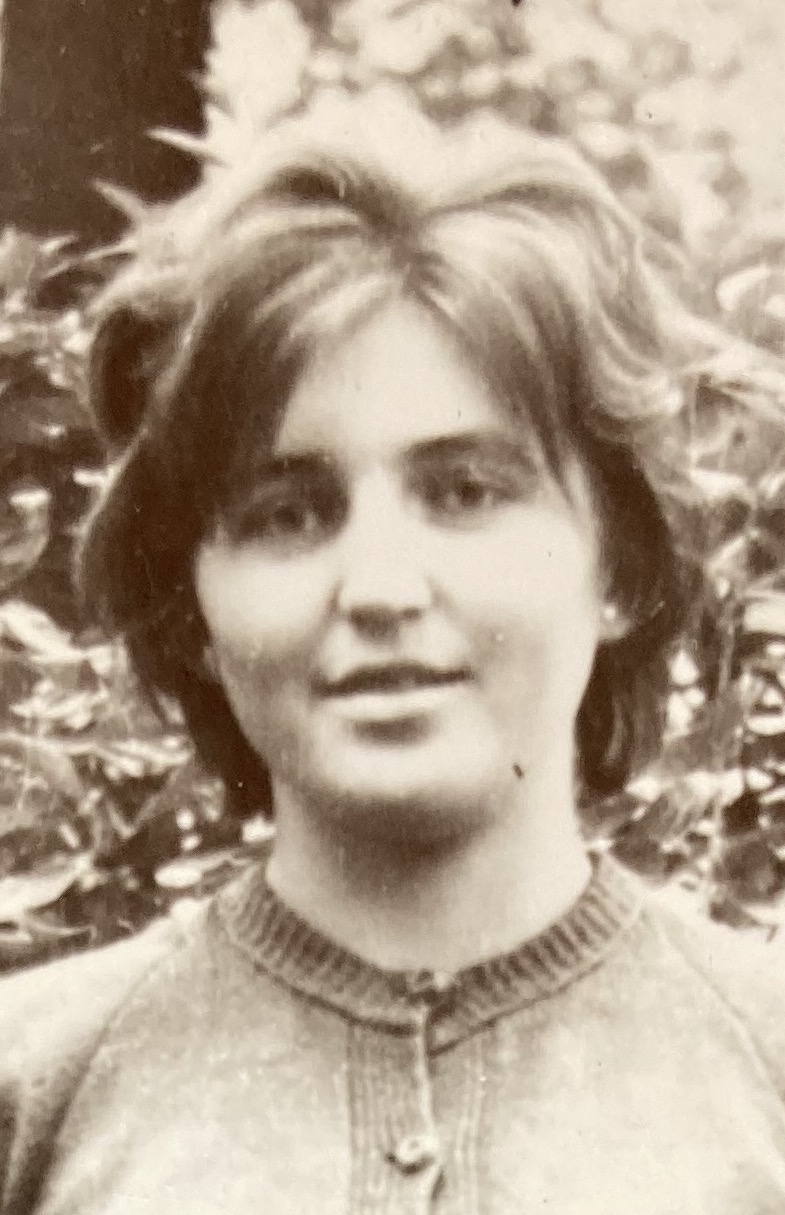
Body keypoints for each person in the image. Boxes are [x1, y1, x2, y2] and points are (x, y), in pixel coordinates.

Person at [3, 121, 785, 1215]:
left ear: (618, 563)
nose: (378, 588)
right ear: (191, 609)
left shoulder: (760, 1074)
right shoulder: (38, 1089)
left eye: (464, 491)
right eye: (287, 513)